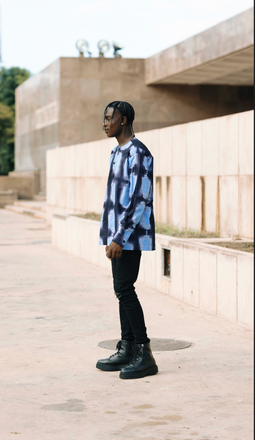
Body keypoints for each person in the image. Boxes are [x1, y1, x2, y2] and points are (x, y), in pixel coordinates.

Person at [96, 101, 158, 380]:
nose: (105, 122)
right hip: (116, 236)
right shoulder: (115, 152)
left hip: (130, 237)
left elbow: (139, 200)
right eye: (105, 118)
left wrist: (119, 237)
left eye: (110, 118)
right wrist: (109, 235)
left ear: (124, 120)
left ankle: (144, 353)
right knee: (121, 290)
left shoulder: (139, 153)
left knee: (125, 289)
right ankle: (127, 347)